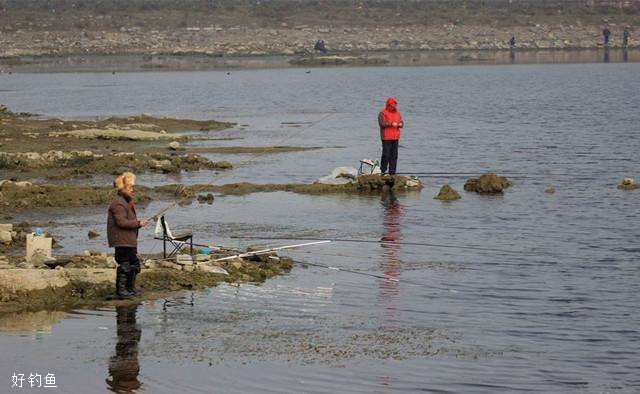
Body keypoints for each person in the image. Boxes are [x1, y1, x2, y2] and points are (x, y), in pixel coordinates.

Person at [107, 172, 148, 299]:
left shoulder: (125, 202)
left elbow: (126, 221)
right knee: (125, 265)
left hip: (128, 240)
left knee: (134, 264)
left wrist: (138, 224)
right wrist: (138, 223)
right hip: (122, 240)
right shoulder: (118, 203)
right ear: (123, 188)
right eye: (130, 187)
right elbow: (121, 222)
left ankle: (130, 289)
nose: (132, 190)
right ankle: (122, 291)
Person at [378, 97, 404, 175]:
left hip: (395, 137)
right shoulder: (382, 113)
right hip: (386, 137)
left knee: (394, 155)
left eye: (394, 105)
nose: (393, 107)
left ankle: (392, 172)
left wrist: (400, 124)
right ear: (388, 105)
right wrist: (391, 124)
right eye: (392, 105)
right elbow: (382, 124)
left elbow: (402, 122)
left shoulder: (398, 113)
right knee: (386, 154)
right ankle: (382, 170)